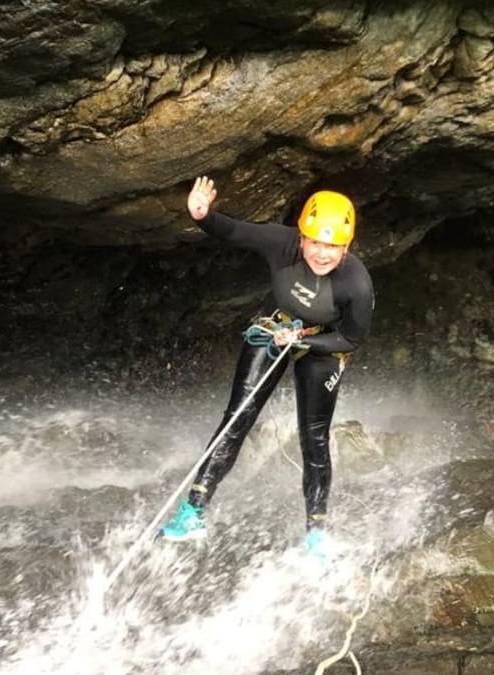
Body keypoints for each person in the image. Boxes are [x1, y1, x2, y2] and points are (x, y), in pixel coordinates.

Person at [160, 176, 375, 556]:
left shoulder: (356, 283)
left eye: (333, 247)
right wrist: (201, 216)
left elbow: (351, 339)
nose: (322, 254)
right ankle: (193, 512)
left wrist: (304, 341)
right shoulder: (282, 243)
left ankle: (316, 535)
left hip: (323, 343)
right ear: (302, 238)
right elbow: (234, 231)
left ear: (346, 248)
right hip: (276, 323)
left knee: (315, 437)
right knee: (237, 417)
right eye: (315, 243)